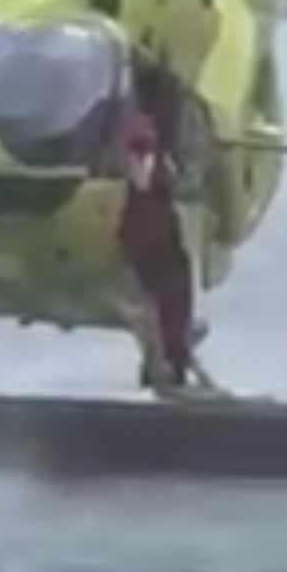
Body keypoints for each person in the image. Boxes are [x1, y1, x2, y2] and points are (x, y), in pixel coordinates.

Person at [117, 112, 195, 389]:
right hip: (147, 243)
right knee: (157, 303)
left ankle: (170, 362)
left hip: (155, 241)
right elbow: (140, 182)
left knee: (167, 301)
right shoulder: (144, 159)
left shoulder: (155, 160)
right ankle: (166, 363)